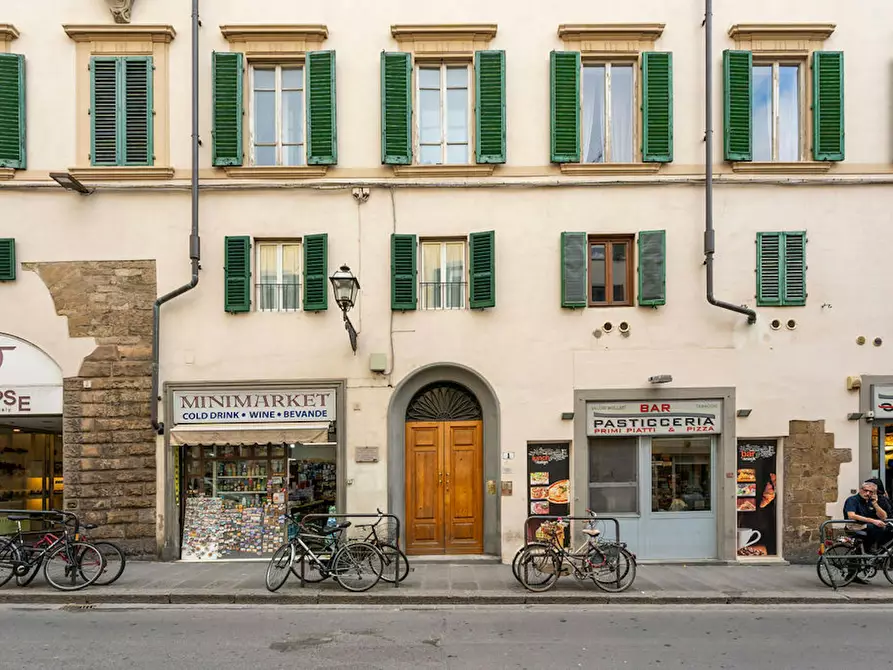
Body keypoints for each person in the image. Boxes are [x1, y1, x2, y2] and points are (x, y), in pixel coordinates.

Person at [843, 480, 893, 555]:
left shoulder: (870, 501)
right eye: (866, 490)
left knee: (887, 529)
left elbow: (884, 516)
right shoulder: (852, 500)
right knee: (875, 527)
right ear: (860, 489)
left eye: (871, 492)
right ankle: (869, 548)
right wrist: (873, 521)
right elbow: (851, 515)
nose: (867, 493)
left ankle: (879, 553)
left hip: (865, 526)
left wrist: (875, 504)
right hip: (853, 526)